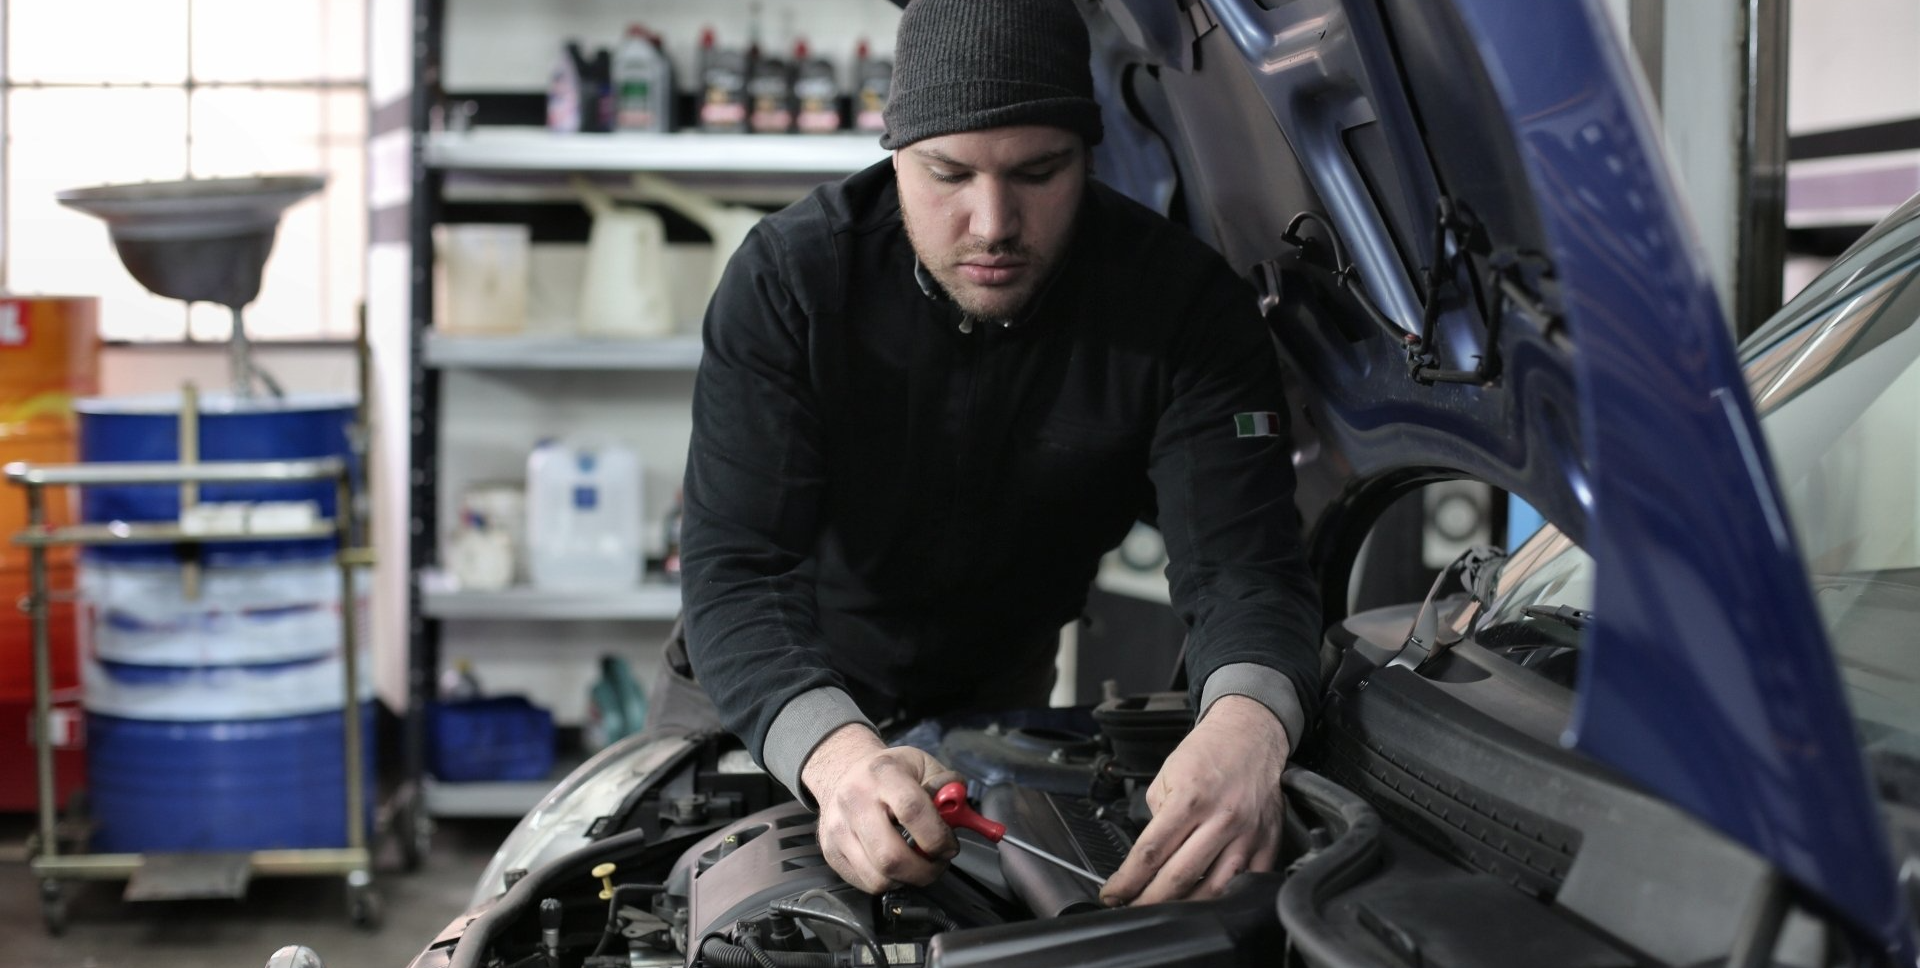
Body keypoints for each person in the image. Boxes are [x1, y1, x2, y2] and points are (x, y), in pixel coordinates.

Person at [671, 0, 1322, 909]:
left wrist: (1248, 724)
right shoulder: (792, 283)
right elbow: (739, 570)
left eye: (1038, 171)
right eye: (947, 173)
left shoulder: (1182, 309)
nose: (992, 223)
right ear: (894, 153)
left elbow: (1244, 565)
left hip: (998, 708)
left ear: (1087, 154)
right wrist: (838, 757)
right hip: (772, 691)